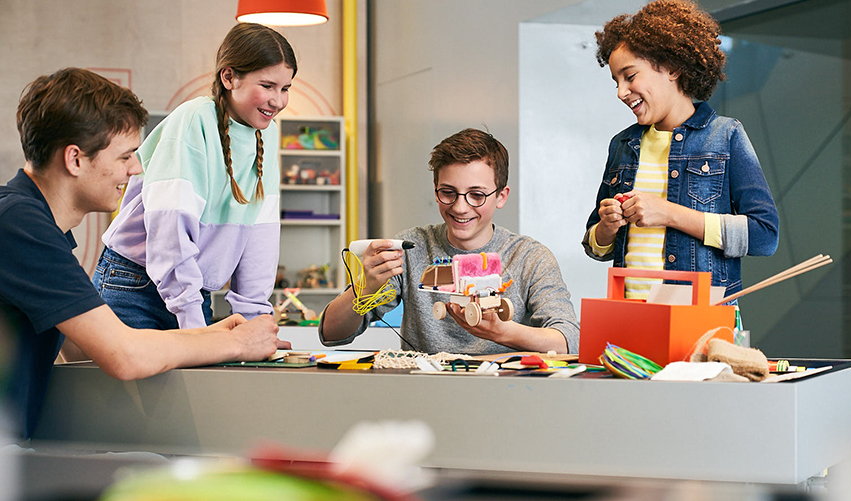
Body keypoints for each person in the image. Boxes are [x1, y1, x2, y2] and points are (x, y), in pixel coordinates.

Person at [0, 68, 288, 440]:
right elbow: (124, 354)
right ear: (74, 159)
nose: (136, 169)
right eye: (125, 157)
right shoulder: (19, 224)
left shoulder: (35, 223)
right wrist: (233, 342)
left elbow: (79, 344)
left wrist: (209, 336)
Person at [93, 23, 296, 329]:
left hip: (192, 290)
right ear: (229, 77)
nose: (277, 101)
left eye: (285, 89)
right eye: (267, 86)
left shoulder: (267, 135)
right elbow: (169, 233)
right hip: (136, 285)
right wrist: (192, 321)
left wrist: (255, 319)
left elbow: (261, 233)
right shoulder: (193, 121)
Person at [582, 0, 779, 300]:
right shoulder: (622, 145)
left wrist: (669, 214)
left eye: (630, 76)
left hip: (700, 319)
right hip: (629, 317)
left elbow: (765, 235)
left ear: (672, 68)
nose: (621, 92)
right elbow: (595, 245)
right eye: (616, 81)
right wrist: (606, 227)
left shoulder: (725, 137)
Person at [319, 128, 580, 354]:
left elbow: (569, 340)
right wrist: (363, 287)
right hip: (426, 397)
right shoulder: (411, 248)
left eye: (476, 195)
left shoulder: (529, 258)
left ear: (501, 196)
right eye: (448, 193)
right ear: (436, 189)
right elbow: (331, 334)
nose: (460, 207)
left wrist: (503, 333)